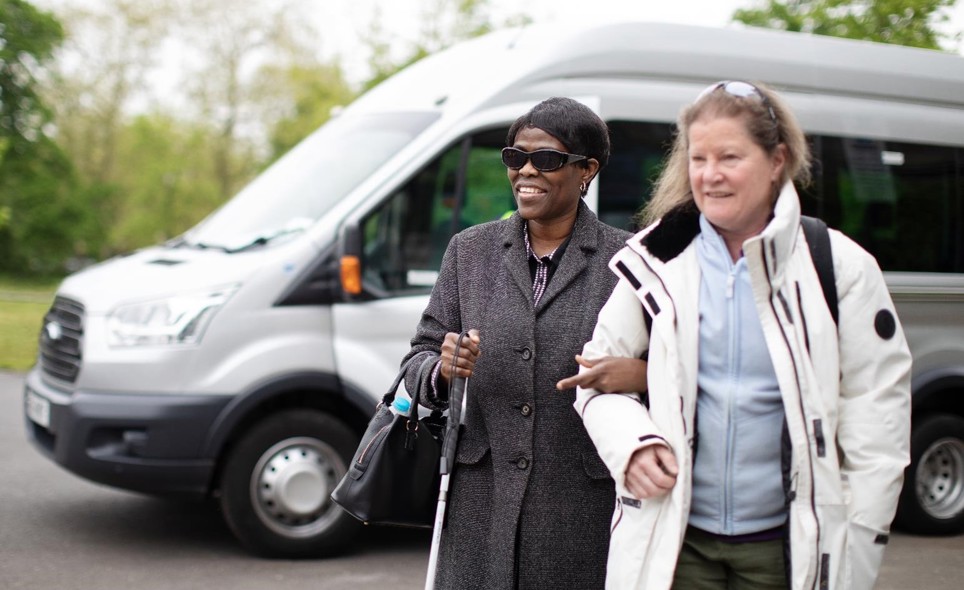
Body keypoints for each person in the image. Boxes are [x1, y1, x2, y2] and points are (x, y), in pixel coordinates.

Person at [563, 81, 912, 590]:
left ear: (777, 161)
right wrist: (632, 446)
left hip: (786, 548)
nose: (710, 175)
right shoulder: (655, 258)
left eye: (730, 157)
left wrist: (856, 541)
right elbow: (594, 377)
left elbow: (877, 418)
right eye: (698, 158)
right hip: (675, 541)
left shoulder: (839, 265)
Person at [401, 96, 644, 589]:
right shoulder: (470, 251)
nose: (526, 171)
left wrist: (638, 375)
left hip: (581, 509)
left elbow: (671, 369)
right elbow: (417, 360)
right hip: (479, 505)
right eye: (516, 157)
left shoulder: (627, 260)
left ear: (586, 170)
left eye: (546, 159)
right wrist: (441, 369)